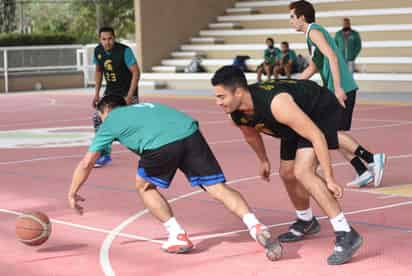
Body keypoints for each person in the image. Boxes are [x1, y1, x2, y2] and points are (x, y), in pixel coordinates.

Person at [67, 95, 282, 261]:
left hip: (161, 144)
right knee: (217, 188)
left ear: (106, 110)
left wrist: (72, 191)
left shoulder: (111, 120)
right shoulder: (146, 107)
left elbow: (87, 162)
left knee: (144, 187)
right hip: (190, 133)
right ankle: (255, 226)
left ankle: (177, 235)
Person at [211, 65, 363, 265]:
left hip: (319, 108)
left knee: (303, 172)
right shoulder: (237, 113)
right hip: (290, 122)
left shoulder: (277, 104)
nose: (217, 102)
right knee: (287, 173)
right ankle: (306, 220)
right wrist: (263, 160)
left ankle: (346, 232)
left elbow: (316, 136)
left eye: (221, 97)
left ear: (238, 92)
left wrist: (329, 177)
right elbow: (251, 135)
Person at [289, 1, 385, 190]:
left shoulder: (314, 31)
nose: (290, 21)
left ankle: (372, 158)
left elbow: (332, 56)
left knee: (330, 133)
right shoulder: (312, 35)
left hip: (341, 88)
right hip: (336, 88)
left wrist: (339, 88)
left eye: (292, 17)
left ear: (302, 17)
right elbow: (315, 65)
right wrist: (293, 84)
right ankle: (362, 171)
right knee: (334, 134)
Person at [92, 26, 141, 167]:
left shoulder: (124, 51)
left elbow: (136, 73)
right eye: (104, 39)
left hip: (127, 92)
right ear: (100, 40)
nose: (107, 42)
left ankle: (148, 152)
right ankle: (104, 154)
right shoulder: (98, 51)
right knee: (98, 118)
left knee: (132, 126)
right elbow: (98, 71)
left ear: (114, 38)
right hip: (111, 92)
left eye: (110, 39)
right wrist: (96, 94)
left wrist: (130, 96)